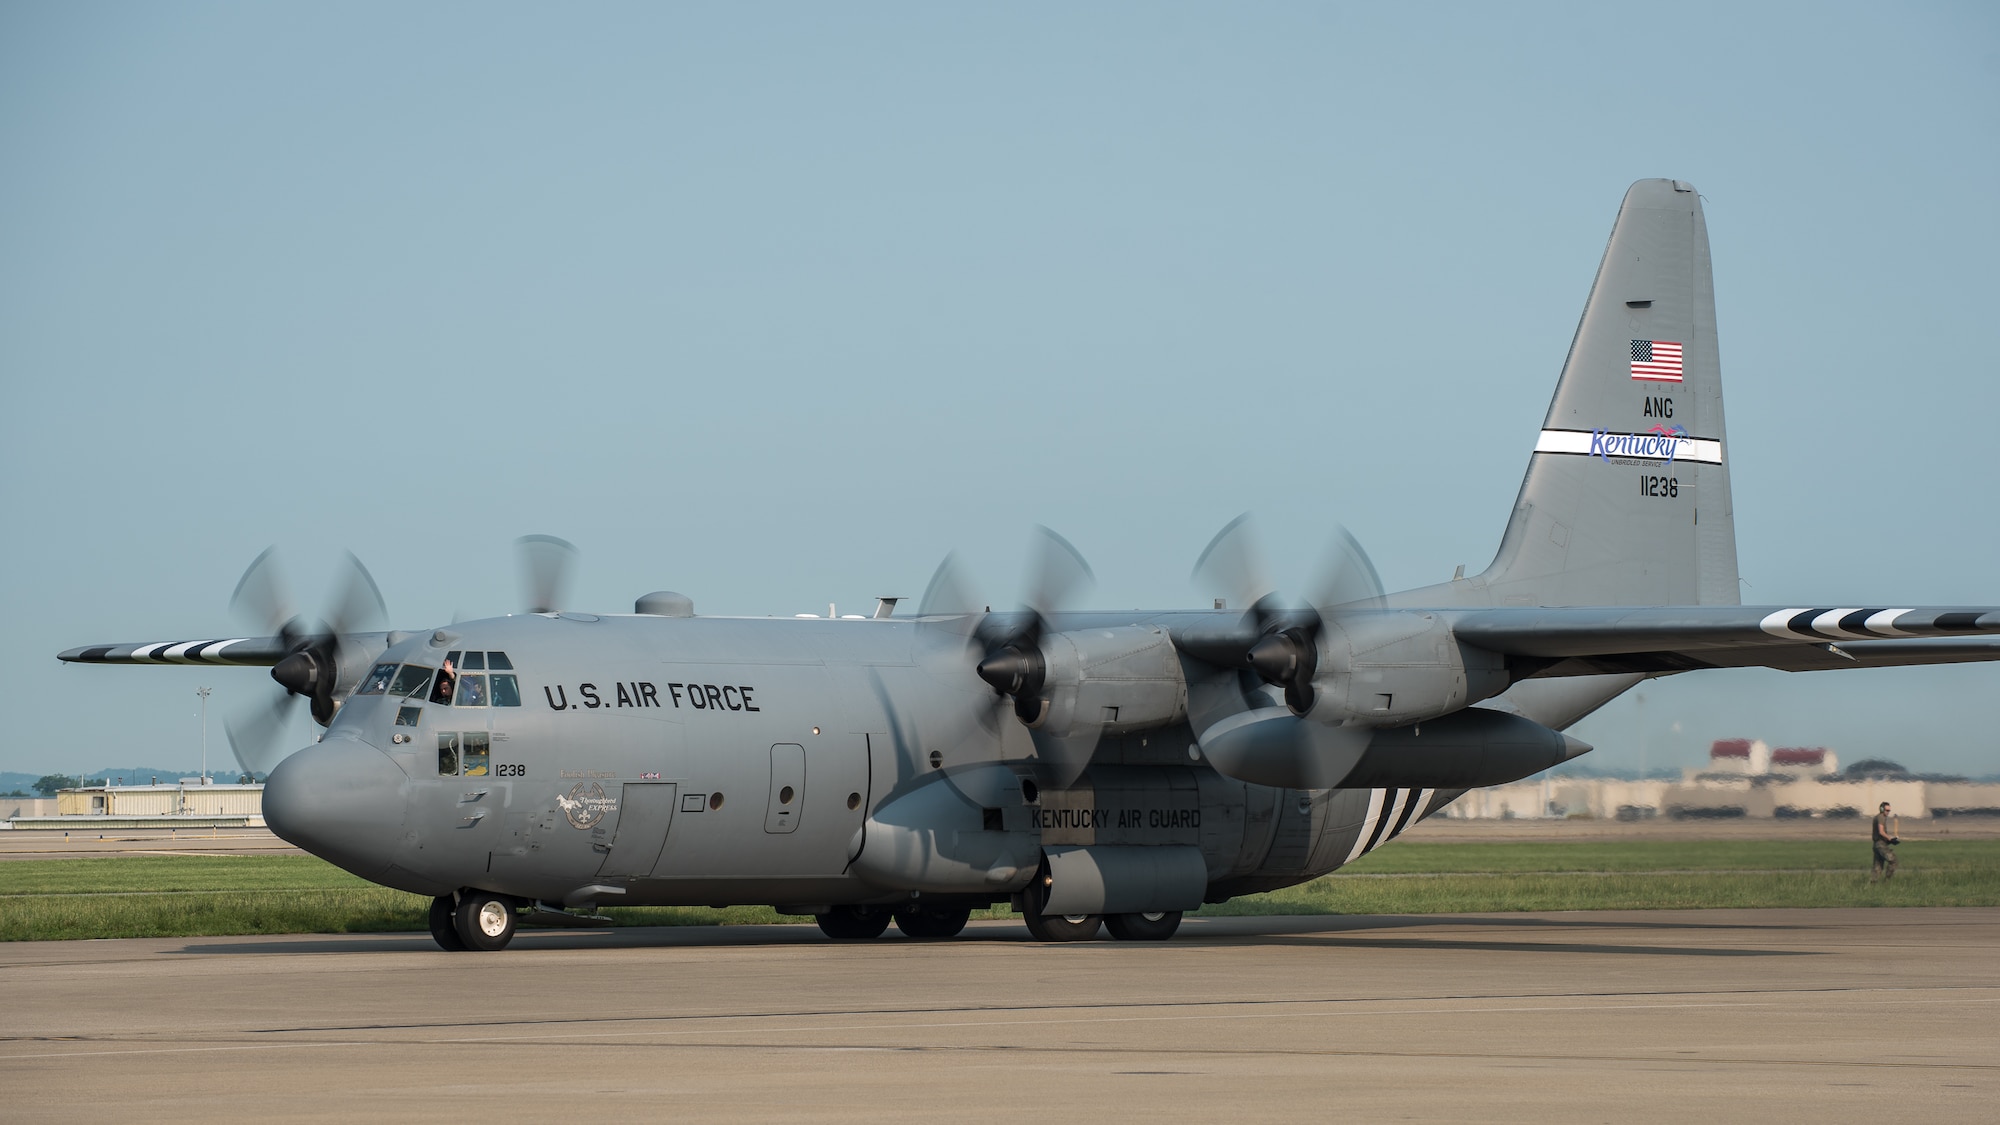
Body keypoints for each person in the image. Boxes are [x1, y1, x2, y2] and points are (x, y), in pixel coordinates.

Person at [1871, 801, 1899, 881]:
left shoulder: (1878, 817)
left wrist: (1890, 840)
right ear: (1882, 809)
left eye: (1889, 811)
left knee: (1878, 866)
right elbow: (1881, 832)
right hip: (1880, 845)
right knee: (1893, 860)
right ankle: (1887, 880)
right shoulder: (1881, 817)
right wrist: (1890, 838)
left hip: (1876, 844)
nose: (1888, 812)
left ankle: (1873, 884)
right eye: (1887, 810)